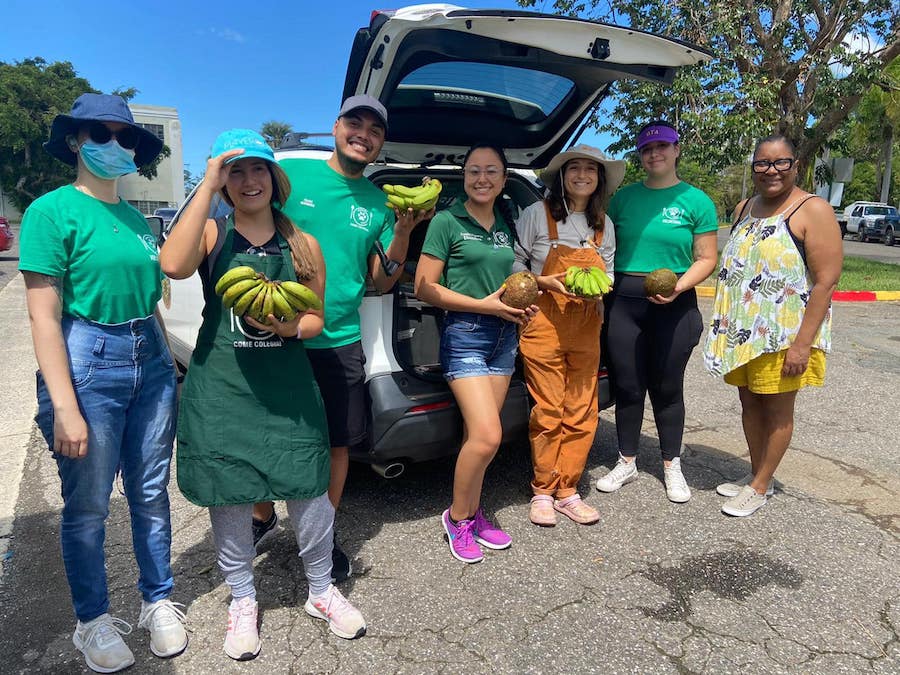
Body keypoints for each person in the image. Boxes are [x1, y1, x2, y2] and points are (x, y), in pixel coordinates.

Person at [159, 129, 366, 660]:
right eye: (236, 171)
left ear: (275, 179)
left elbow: (318, 316)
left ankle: (320, 588)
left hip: (287, 386)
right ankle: (243, 598)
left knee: (308, 487)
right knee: (229, 494)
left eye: (258, 170)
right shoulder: (211, 234)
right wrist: (206, 181)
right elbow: (172, 265)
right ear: (225, 182)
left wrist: (288, 328)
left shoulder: (304, 244)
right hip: (222, 385)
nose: (249, 180)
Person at [19, 93, 187, 673]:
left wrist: (163, 357)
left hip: (151, 357)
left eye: (125, 137)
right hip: (89, 359)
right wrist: (64, 407)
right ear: (75, 140)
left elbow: (150, 298)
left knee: (149, 493)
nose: (114, 146)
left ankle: (157, 600)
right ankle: (91, 621)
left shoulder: (137, 218)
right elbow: (43, 314)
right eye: (100, 133)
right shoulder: (51, 211)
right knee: (88, 505)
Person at [257, 95, 427, 580]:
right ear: (336, 127)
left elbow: (382, 279)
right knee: (268, 435)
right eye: (355, 123)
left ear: (381, 143)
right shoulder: (290, 179)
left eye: (375, 130)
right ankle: (262, 514)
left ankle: (320, 535)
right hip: (277, 332)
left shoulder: (379, 202)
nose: (364, 134)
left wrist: (403, 232)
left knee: (337, 444)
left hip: (338, 337)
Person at [704, 134, 842, 517]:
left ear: (795, 165)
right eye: (762, 163)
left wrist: (802, 345)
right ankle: (755, 475)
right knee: (749, 402)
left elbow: (826, 281)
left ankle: (761, 486)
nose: (772, 171)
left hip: (784, 334)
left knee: (778, 409)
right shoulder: (744, 207)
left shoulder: (812, 210)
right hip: (745, 331)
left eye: (781, 162)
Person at [415, 143, 536, 563]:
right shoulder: (447, 222)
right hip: (465, 335)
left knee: (476, 437)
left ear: (504, 179)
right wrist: (485, 305)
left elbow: (510, 281)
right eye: (473, 171)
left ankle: (475, 511)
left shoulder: (506, 224)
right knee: (488, 436)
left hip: (504, 337)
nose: (482, 178)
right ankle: (456, 518)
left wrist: (526, 300)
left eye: (491, 171)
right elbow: (424, 287)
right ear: (463, 177)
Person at [596, 120, 718, 503]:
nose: (655, 154)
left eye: (662, 146)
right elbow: (602, 245)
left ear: (677, 149)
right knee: (628, 386)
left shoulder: (696, 200)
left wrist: (679, 286)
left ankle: (671, 465)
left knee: (667, 388)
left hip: (674, 304)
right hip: (624, 305)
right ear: (640, 155)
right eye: (647, 149)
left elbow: (706, 258)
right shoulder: (623, 198)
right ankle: (627, 461)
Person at [514, 145, 624, 526]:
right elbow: (516, 264)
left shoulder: (602, 224)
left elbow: (608, 271)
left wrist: (599, 288)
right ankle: (543, 490)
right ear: (562, 176)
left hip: (586, 326)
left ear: (599, 180)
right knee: (548, 411)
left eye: (590, 170)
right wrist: (541, 282)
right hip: (543, 324)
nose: (581, 175)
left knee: (582, 412)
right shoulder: (535, 215)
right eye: (573, 168)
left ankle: (568, 490)